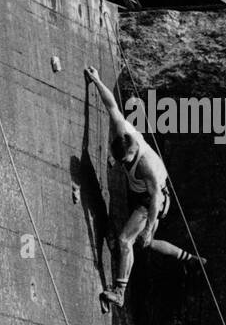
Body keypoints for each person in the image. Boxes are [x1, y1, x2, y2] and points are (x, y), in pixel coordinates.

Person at [84, 66, 205, 308]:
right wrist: (96, 80)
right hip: (144, 194)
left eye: (125, 161)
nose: (123, 164)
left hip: (154, 201)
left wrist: (149, 227)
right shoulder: (123, 131)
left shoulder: (146, 166)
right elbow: (111, 106)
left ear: (133, 152)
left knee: (126, 241)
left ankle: (119, 293)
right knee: (146, 244)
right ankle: (190, 258)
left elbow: (156, 200)